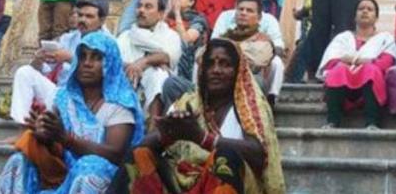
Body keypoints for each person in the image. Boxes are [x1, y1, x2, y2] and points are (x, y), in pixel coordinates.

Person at [119, 38, 285, 193]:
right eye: (210, 64)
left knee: (225, 157)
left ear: (237, 71)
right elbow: (144, 145)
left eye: (225, 64)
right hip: (183, 181)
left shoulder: (250, 106)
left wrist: (202, 138)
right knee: (139, 154)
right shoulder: (187, 102)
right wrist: (166, 135)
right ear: (202, 71)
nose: (216, 70)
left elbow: (260, 155)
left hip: (232, 184)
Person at [0, 31, 144, 194]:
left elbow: (116, 154)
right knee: (18, 160)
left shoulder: (120, 102)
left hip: (107, 181)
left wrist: (68, 140)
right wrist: (44, 135)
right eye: (82, 57)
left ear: (111, 63)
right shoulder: (64, 98)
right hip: (65, 177)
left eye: (96, 57)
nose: (87, 63)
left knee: (90, 167)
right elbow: (56, 145)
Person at [8, 0, 113, 126]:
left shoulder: (109, 43)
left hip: (88, 100)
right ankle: (22, 126)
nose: (82, 20)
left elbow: (107, 73)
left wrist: (70, 58)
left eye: (89, 16)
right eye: (80, 15)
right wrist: (38, 60)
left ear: (101, 21)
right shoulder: (68, 38)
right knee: (24, 72)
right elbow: (46, 68)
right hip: (61, 94)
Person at [317, 0, 396, 129]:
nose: (365, 11)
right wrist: (366, 61)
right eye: (361, 9)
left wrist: (352, 60)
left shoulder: (385, 39)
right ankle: (333, 121)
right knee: (338, 70)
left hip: (371, 87)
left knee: (371, 70)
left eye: (370, 9)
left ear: (376, 17)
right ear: (355, 16)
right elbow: (331, 62)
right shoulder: (343, 38)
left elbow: (385, 63)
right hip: (344, 89)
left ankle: (372, 122)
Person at [117, 0, 182, 119]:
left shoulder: (170, 36)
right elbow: (115, 61)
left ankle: (154, 124)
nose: (141, 10)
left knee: (157, 74)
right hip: (126, 87)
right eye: (139, 6)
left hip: (162, 93)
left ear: (161, 14)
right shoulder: (125, 36)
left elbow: (168, 56)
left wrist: (143, 62)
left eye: (148, 7)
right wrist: (133, 67)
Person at [217, 0, 284, 106]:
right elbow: (203, 54)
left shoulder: (263, 39)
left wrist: (229, 52)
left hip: (253, 84)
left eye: (249, 11)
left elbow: (258, 60)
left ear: (259, 17)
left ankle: (270, 100)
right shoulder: (226, 36)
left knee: (276, 63)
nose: (243, 13)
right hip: (224, 80)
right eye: (241, 9)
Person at [166, 0, 209, 81]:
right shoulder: (167, 17)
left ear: (191, 2)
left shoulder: (198, 19)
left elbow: (186, 39)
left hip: (186, 60)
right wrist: (168, 10)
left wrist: (177, 13)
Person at [286, 0, 315, 83]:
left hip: (310, 29)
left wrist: (298, 13)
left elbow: (308, 6)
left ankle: (293, 80)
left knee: (301, 54)